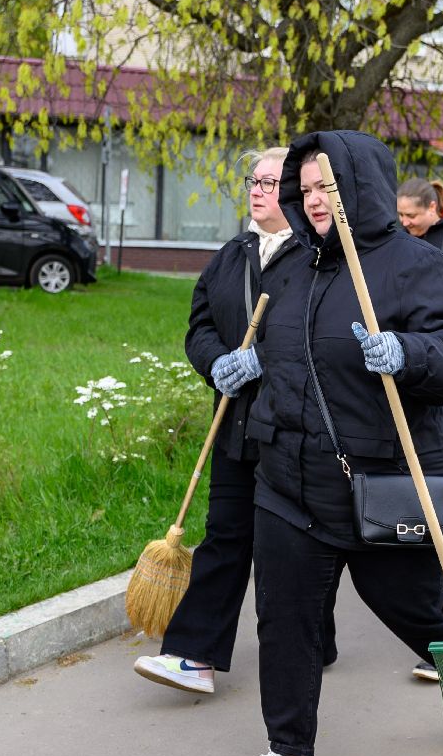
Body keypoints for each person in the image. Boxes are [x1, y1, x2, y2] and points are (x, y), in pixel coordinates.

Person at [217, 131, 443, 756]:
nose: (310, 202)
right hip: (287, 486)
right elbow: (275, 358)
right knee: (285, 622)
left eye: (324, 188)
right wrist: (240, 374)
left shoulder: (413, 265)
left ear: (358, 187)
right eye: (301, 190)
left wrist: (409, 351)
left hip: (376, 485)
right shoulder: (288, 271)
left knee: (416, 607)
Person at [133, 147, 338, 695]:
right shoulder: (231, 255)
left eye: (272, 182)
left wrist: (263, 359)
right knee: (226, 536)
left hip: (294, 432)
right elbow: (199, 325)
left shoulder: (316, 259)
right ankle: (193, 655)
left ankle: (321, 635)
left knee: (295, 549)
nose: (257, 189)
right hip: (235, 425)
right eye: (254, 179)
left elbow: (319, 337)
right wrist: (216, 363)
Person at [396, 176, 443, 255]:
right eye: (401, 214)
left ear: (432, 207)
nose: (404, 223)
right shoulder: (400, 239)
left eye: (411, 216)